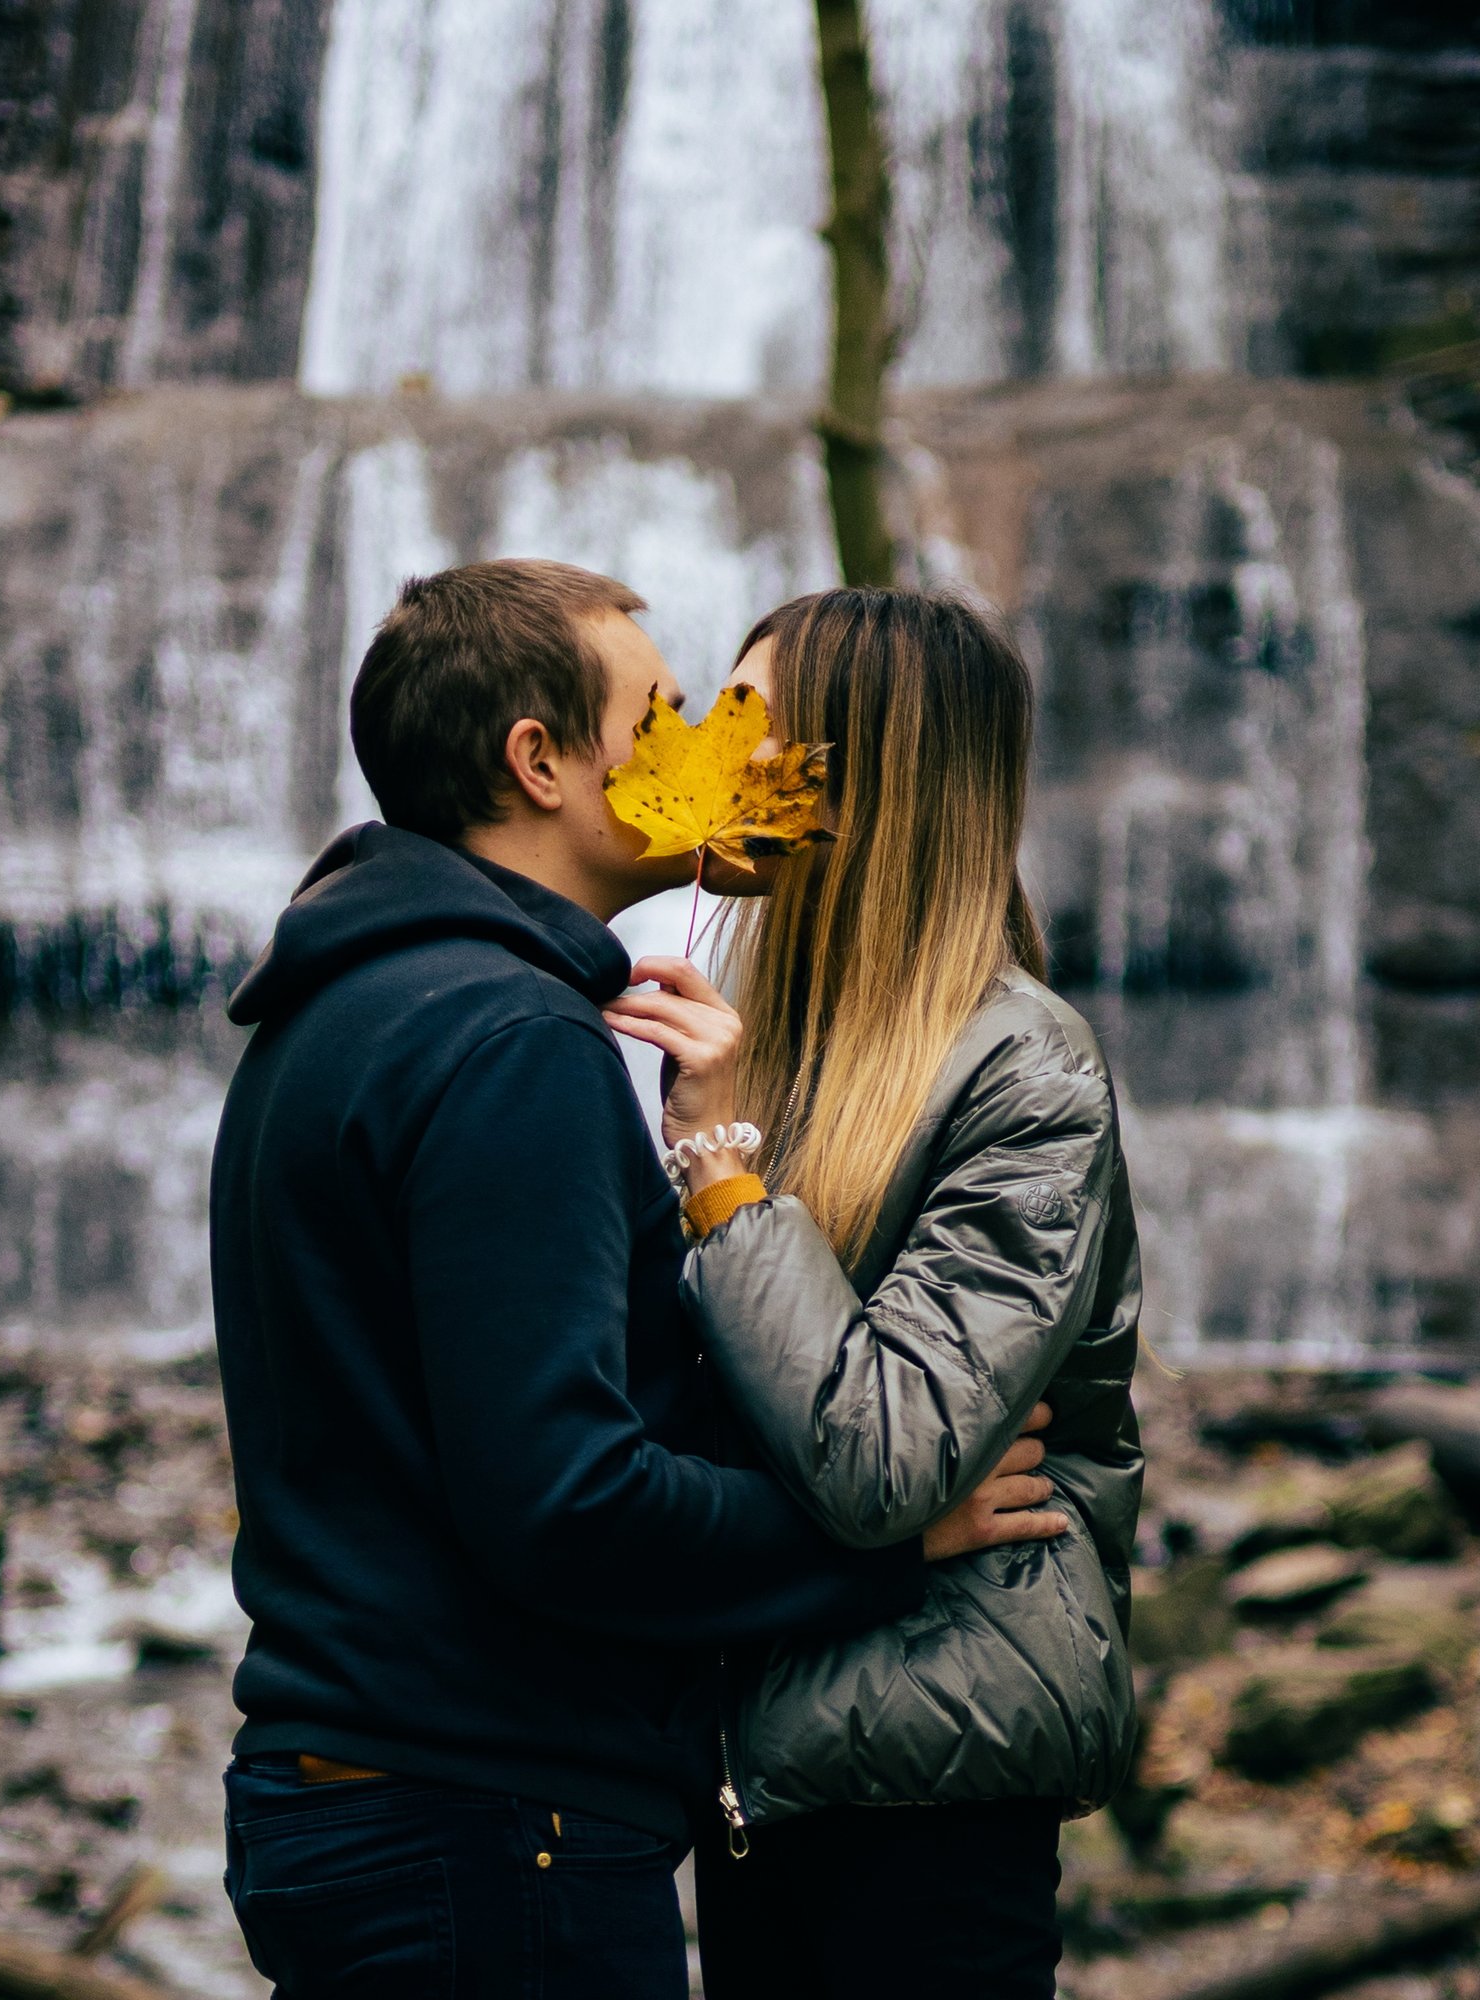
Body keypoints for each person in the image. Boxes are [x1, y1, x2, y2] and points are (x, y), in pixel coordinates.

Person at [210, 559, 1067, 1998]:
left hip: (357, 1800)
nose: (710, 753)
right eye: (662, 711)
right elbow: (567, 1503)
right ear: (538, 763)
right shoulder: (512, 1039)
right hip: (489, 1827)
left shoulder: (342, 1004)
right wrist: (881, 1551)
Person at [603, 586, 1144, 2000]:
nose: (709, 757)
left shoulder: (1027, 1071)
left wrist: (721, 1172)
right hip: (764, 1764)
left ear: (869, 784)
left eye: (752, 727)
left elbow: (881, 1455)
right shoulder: (773, 1048)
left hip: (933, 1780)